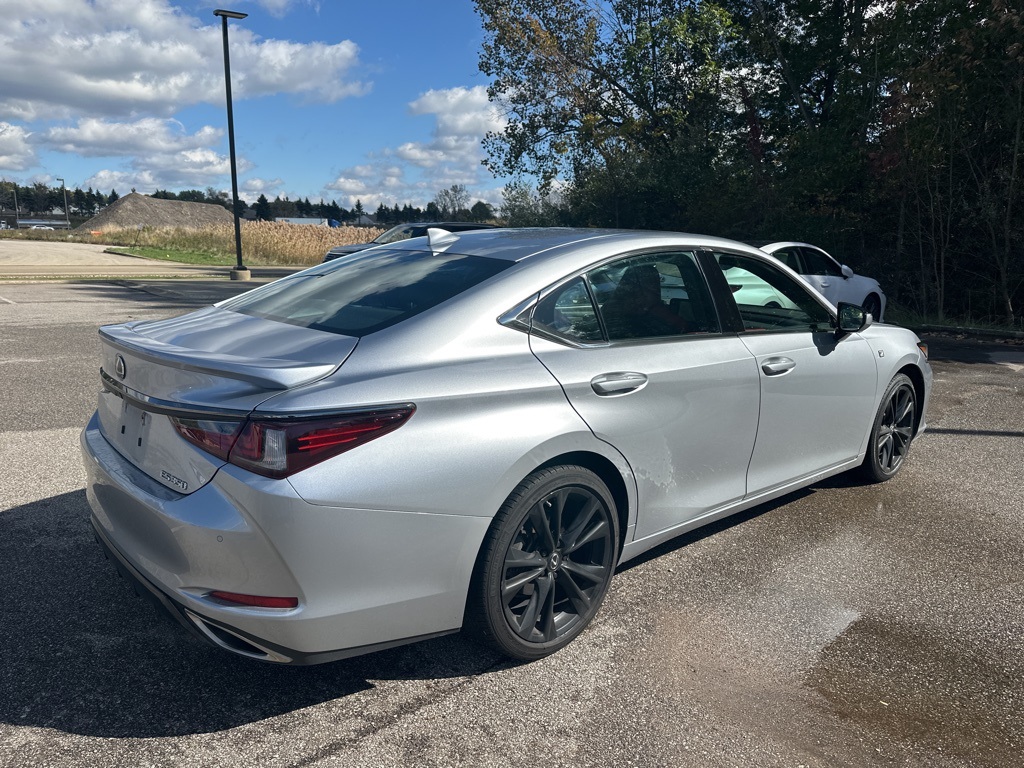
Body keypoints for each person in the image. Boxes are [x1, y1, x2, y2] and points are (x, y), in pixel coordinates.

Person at [601, 264, 690, 338]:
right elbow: (683, 327)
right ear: (640, 288)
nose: (657, 289)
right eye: (653, 284)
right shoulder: (649, 310)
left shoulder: (610, 306)